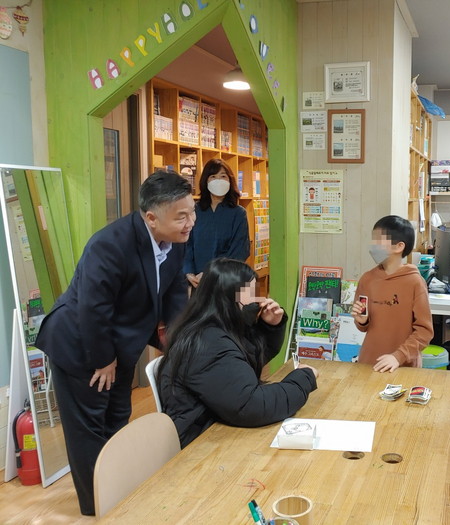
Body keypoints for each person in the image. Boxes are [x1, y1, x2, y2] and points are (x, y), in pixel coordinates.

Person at [35, 170, 194, 515]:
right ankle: (97, 509)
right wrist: (103, 360)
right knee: (89, 428)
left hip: (120, 345)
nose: (190, 222)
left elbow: (173, 298)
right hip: (81, 346)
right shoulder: (110, 244)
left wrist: (179, 345)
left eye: (192, 212)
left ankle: (118, 497)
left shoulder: (176, 242)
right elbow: (93, 308)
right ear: (151, 217)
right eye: (181, 216)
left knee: (117, 417)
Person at [158, 258, 318, 448]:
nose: (259, 301)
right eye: (251, 294)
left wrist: (270, 326)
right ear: (228, 297)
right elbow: (252, 405)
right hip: (202, 445)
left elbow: (246, 359)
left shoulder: (216, 326)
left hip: (218, 427)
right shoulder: (207, 343)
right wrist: (303, 378)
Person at [352, 215, 433, 372]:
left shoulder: (415, 282)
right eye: (373, 240)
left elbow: (425, 331)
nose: (373, 246)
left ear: (399, 246)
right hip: (369, 364)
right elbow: (363, 327)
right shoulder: (367, 279)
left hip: (403, 367)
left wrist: (398, 356)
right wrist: (362, 322)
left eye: (378, 241)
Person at [184, 158, 250, 288]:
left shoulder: (238, 213)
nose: (218, 180)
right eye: (213, 176)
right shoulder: (195, 210)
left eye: (223, 176)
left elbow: (240, 251)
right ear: (206, 181)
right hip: (197, 282)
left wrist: (212, 274)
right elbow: (186, 244)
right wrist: (189, 272)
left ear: (230, 181)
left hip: (226, 282)